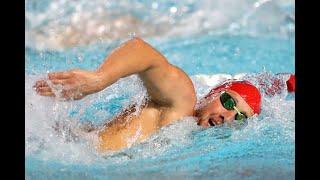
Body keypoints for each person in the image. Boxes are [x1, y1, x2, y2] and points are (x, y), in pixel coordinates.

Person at [34, 37, 295, 152]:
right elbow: (143, 51)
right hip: (57, 147)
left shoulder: (190, 136)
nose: (228, 116)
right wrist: (99, 80)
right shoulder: (182, 103)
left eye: (240, 118)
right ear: (213, 94)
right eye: (228, 102)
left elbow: (268, 85)